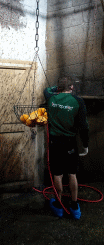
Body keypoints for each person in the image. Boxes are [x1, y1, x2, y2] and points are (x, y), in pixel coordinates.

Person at [44, 76, 89, 219]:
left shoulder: (50, 97)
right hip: (70, 143)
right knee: (72, 174)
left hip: (55, 143)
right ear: (72, 87)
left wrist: (57, 89)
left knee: (57, 174)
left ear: (58, 89)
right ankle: (74, 206)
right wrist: (85, 144)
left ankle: (58, 206)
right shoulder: (78, 101)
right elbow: (84, 126)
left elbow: (47, 89)